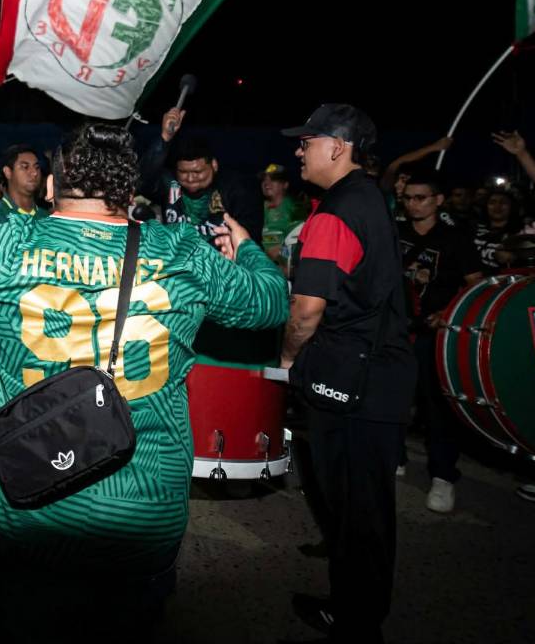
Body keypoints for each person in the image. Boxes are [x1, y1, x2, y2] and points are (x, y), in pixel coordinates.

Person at [0, 122, 288, 644]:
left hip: (36, 511)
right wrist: (245, 248)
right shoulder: (182, 251)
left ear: (51, 186)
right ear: (129, 192)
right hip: (145, 513)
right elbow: (271, 302)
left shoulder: (0, 246)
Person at [278, 103, 417, 644]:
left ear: (337, 147)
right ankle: (354, 610)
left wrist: (288, 359)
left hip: (355, 384)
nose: (299, 151)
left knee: (358, 513)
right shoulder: (365, 197)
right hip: (375, 376)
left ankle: (357, 623)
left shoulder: (337, 210)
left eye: (307, 141)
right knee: (361, 510)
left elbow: (306, 310)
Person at [397, 171, 483, 513]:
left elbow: (476, 284)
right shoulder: (395, 232)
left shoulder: (455, 239)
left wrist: (448, 312)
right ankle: (395, 457)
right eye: (408, 198)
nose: (413, 204)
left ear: (438, 200)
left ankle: (443, 476)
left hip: (433, 334)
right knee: (393, 398)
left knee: (436, 408)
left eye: (421, 198)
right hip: (396, 330)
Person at [138, 106, 263, 241]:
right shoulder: (170, 185)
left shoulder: (237, 188)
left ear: (214, 165)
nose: (190, 178)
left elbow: (249, 238)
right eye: (183, 172)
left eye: (198, 171)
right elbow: (143, 179)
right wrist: (165, 137)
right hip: (178, 253)